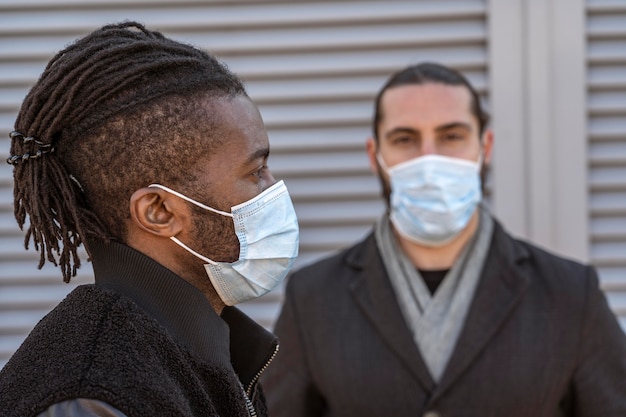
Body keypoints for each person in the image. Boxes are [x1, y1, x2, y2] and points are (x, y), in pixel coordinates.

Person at [262, 62, 626, 416]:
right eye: (405, 139)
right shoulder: (312, 299)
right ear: (376, 156)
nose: (429, 160)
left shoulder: (570, 295)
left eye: (451, 136)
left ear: (485, 146)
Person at [0, 21, 299, 417]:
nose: (274, 188)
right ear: (158, 212)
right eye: (255, 171)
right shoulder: (92, 399)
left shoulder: (190, 347)